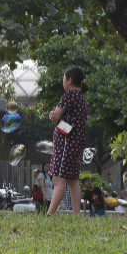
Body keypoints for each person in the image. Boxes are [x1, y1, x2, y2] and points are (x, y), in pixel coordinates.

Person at [47, 67, 88, 216]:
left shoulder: (69, 95)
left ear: (70, 80)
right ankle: (76, 215)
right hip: (77, 143)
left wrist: (53, 114)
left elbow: (56, 115)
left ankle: (49, 214)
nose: (63, 81)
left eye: (64, 78)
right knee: (73, 179)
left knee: (58, 179)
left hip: (66, 142)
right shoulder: (82, 97)